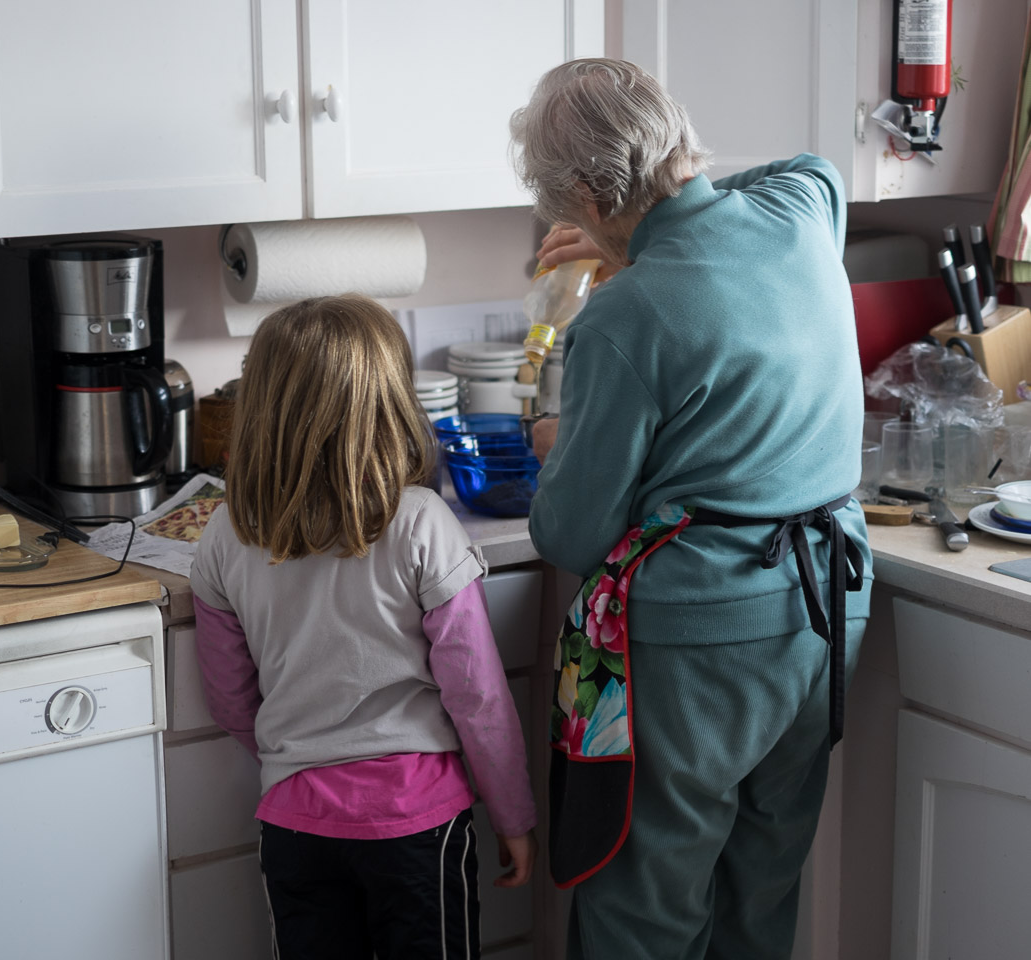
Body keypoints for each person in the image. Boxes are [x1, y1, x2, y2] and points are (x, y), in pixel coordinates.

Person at [509, 59, 873, 960]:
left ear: (590, 194)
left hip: (703, 643)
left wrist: (563, 442)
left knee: (648, 900)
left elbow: (570, 532)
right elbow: (815, 167)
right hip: (827, 605)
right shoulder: (800, 219)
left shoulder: (626, 315)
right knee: (763, 880)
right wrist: (666, 195)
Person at [189, 295, 537, 960]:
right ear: (389, 403)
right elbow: (478, 697)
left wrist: (302, 758)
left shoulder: (226, 533)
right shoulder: (422, 522)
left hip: (294, 824)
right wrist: (514, 817)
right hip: (416, 824)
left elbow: (230, 698)